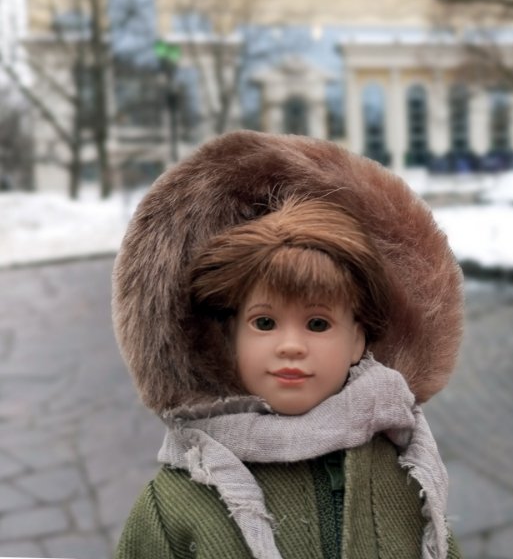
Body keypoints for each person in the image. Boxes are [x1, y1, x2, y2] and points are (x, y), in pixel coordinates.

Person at [112, 130, 465, 559]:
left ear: (358, 339)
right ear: (228, 337)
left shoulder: (406, 472)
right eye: (265, 322)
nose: (292, 346)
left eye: (318, 323)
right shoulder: (180, 500)